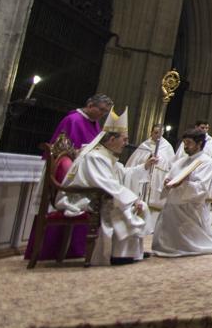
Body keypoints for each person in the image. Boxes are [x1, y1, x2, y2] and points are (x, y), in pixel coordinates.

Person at [60, 108, 149, 266]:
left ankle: (127, 252)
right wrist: (131, 199)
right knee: (127, 207)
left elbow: (123, 173)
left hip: (100, 195)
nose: (126, 143)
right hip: (87, 198)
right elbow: (106, 183)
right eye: (124, 139)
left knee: (138, 205)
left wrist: (145, 166)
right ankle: (115, 254)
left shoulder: (105, 155)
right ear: (111, 139)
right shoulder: (96, 156)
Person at [152, 128, 212, 257]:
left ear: (199, 143)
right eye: (184, 143)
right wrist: (167, 182)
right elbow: (170, 177)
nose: (185, 146)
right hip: (172, 205)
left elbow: (201, 188)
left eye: (188, 143)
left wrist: (183, 183)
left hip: (190, 208)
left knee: (189, 243)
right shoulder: (180, 162)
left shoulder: (207, 162)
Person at [127, 124, 175, 236]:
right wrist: (147, 158)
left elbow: (171, 164)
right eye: (156, 132)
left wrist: (160, 161)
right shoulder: (145, 145)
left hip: (157, 180)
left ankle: (153, 226)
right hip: (144, 178)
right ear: (151, 132)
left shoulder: (167, 147)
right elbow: (135, 162)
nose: (158, 135)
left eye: (160, 133)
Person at [174, 120, 212, 204]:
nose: (205, 130)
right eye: (202, 127)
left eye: (207, 128)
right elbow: (177, 159)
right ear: (196, 127)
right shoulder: (185, 148)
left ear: (199, 144)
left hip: (201, 174)